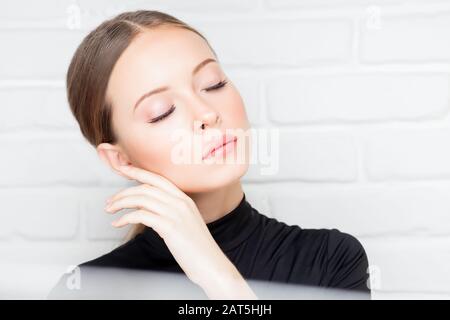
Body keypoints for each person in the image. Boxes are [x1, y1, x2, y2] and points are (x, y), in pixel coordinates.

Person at [49, 10, 371, 299]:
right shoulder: (87, 290)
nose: (207, 113)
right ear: (121, 160)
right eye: (162, 112)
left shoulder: (330, 261)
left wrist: (219, 277)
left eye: (213, 84)